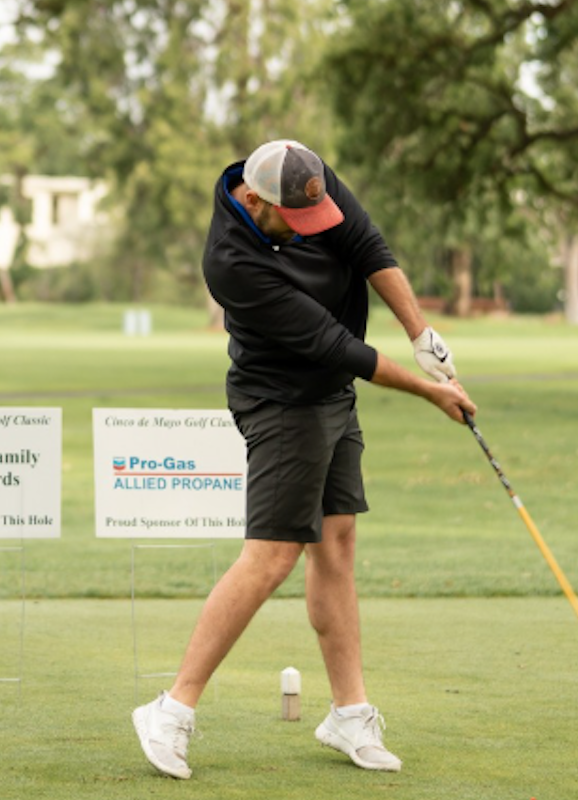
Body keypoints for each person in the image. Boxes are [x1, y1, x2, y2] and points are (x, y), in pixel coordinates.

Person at [132, 140, 476, 779]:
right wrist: (430, 393)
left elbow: (368, 247)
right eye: (294, 220)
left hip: (332, 398)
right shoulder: (229, 262)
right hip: (282, 401)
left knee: (338, 541)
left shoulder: (302, 174)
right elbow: (334, 345)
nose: (310, 227)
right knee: (271, 557)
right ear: (255, 201)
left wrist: (421, 334)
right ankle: (170, 709)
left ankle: (349, 713)